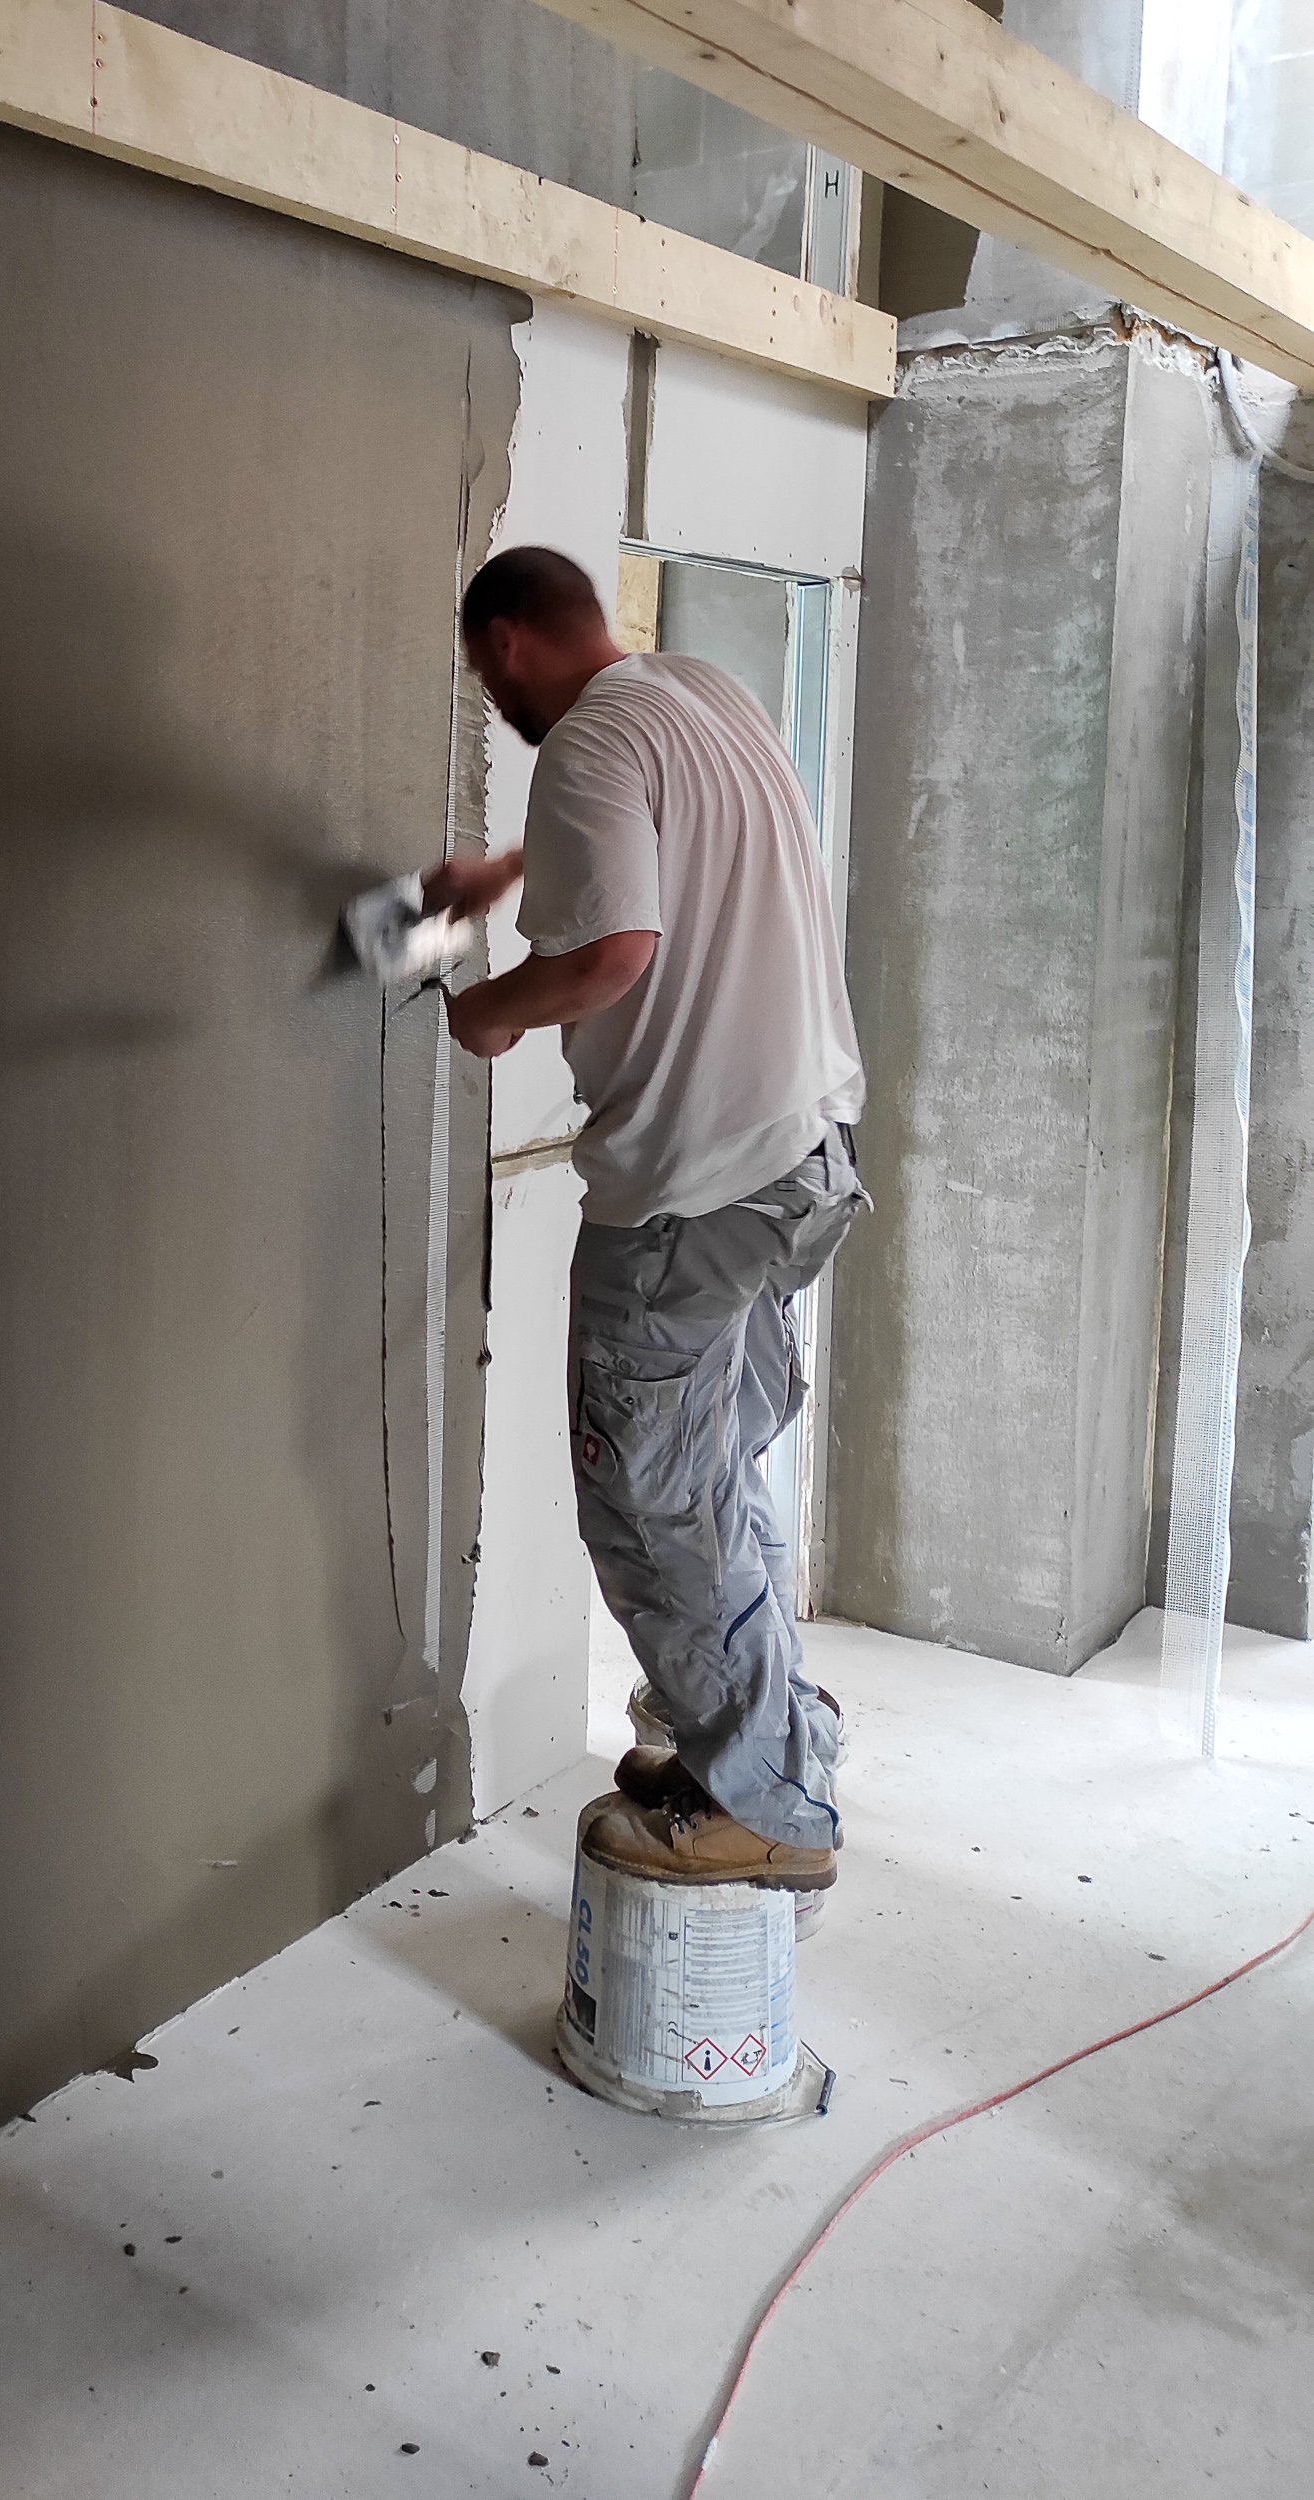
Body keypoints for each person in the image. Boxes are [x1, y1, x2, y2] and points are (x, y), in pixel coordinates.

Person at [426, 545, 868, 1892]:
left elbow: (616, 955)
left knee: (649, 1503)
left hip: (690, 1191)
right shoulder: (699, 693)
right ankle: (764, 1745)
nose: (495, 699)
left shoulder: (584, 748)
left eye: (485, 675)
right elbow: (669, 849)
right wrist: (514, 872)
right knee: (712, 1472)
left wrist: (488, 1012)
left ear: (507, 641)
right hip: (799, 1160)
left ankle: (770, 1808)